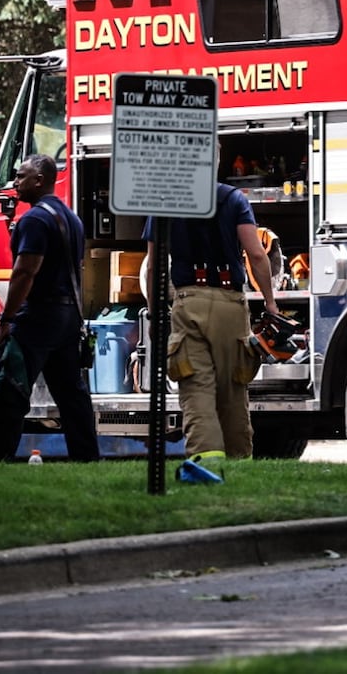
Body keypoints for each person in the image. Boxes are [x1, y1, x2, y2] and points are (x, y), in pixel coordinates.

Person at [147, 175, 284, 477]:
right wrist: (270, 303)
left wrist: (155, 314)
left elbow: (154, 262)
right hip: (231, 305)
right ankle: (239, 469)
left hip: (187, 302)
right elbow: (257, 254)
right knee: (233, 390)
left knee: (196, 388)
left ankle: (206, 468)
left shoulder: (163, 198)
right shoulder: (234, 199)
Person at [0, 154, 101, 462]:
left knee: (12, 388)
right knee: (72, 393)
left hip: (39, 317)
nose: (16, 183)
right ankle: (86, 456)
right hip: (67, 317)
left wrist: (7, 318)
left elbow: (25, 271)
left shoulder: (34, 219)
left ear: (39, 180)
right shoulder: (71, 218)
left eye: (21, 177)